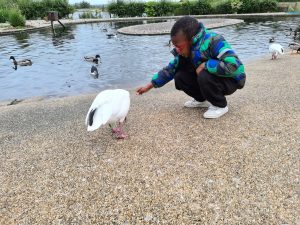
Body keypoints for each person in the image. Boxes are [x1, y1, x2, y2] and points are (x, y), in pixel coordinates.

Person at [136, 16, 246, 119]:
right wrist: (149, 85)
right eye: (174, 46)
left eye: (179, 46)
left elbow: (235, 65)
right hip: (210, 79)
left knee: (204, 74)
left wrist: (206, 65)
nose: (177, 50)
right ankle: (201, 100)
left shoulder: (214, 40)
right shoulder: (186, 50)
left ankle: (220, 105)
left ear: (191, 39)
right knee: (179, 76)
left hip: (230, 81)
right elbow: (170, 69)